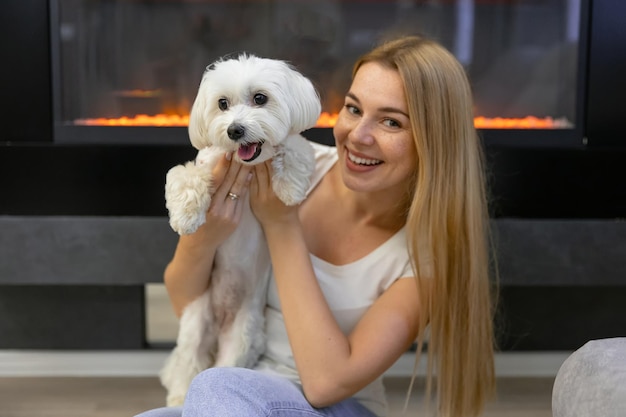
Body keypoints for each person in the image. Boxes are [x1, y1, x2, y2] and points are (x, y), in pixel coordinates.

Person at [137, 35, 496, 417]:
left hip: (334, 408)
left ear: (434, 141)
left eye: (391, 121)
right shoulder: (285, 160)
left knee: (216, 387)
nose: (358, 136)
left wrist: (281, 224)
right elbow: (184, 304)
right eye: (353, 109)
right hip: (237, 389)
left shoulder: (426, 260)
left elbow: (326, 385)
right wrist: (206, 235)